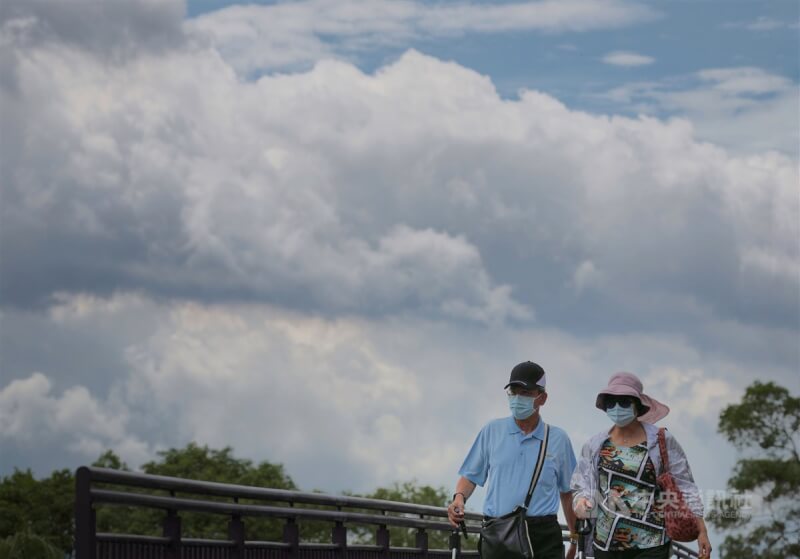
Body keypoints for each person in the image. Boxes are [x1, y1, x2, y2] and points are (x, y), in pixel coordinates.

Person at [570, 372, 712, 559]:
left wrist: (701, 532)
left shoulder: (661, 440)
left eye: (624, 402)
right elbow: (581, 487)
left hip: (652, 543)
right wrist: (581, 503)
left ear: (637, 406)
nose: (617, 407)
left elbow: (685, 487)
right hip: (606, 544)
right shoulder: (595, 445)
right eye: (611, 402)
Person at [447, 361, 579, 559]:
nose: (518, 398)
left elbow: (567, 493)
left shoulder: (558, 439)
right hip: (499, 534)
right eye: (514, 392)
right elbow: (470, 476)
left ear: (542, 398)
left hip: (543, 536)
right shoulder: (492, 430)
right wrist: (459, 498)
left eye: (526, 393)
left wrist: (575, 538)